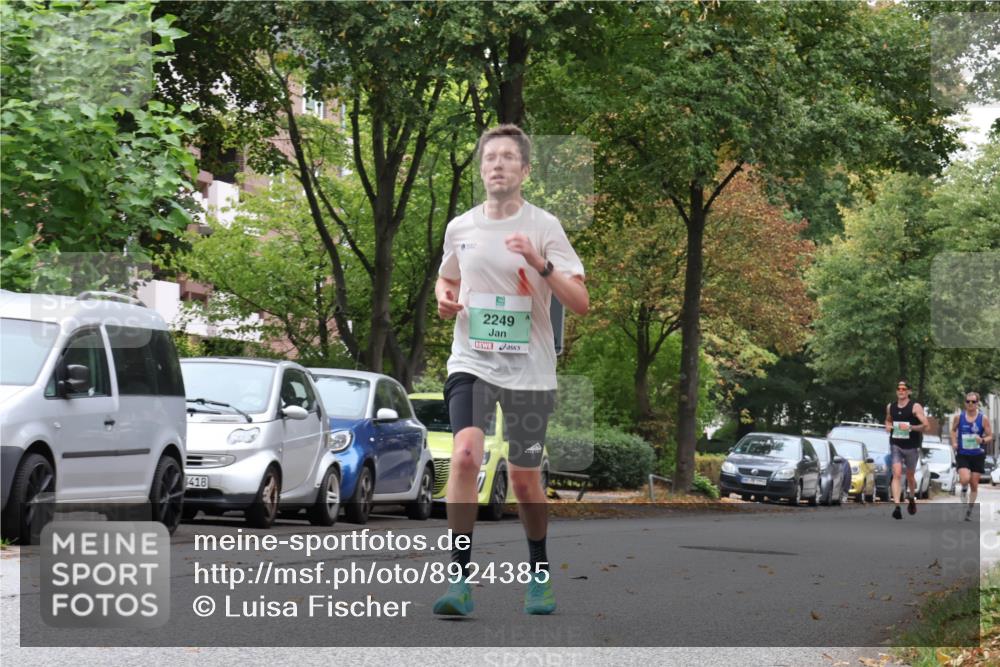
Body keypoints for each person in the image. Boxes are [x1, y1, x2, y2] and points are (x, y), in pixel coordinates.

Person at [432, 125, 588, 616]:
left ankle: (538, 573)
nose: (496, 165)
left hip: (530, 373)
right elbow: (447, 275)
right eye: (489, 158)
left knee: (523, 481)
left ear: (524, 170)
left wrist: (539, 264)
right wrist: (443, 297)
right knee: (463, 457)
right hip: (472, 361)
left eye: (506, 158)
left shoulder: (545, 226)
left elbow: (580, 302)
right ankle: (459, 581)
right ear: (482, 168)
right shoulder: (461, 227)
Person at [884, 380, 930, 520]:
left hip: (911, 446)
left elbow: (926, 425)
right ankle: (897, 506)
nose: (901, 391)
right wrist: (888, 426)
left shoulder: (915, 407)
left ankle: (911, 497)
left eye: (904, 389)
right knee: (896, 473)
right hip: (896, 444)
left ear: (909, 391)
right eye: (899, 388)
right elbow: (888, 420)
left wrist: (911, 428)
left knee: (910, 476)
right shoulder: (890, 406)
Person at [951, 391, 993, 521]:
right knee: (964, 479)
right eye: (968, 401)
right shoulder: (959, 417)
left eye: (973, 402)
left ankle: (969, 510)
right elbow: (953, 430)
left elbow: (990, 435)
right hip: (963, 453)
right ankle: (963, 489)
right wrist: (954, 442)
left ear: (977, 403)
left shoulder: (983, 418)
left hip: (977, 454)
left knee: (974, 483)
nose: (970, 404)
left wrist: (983, 440)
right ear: (965, 403)